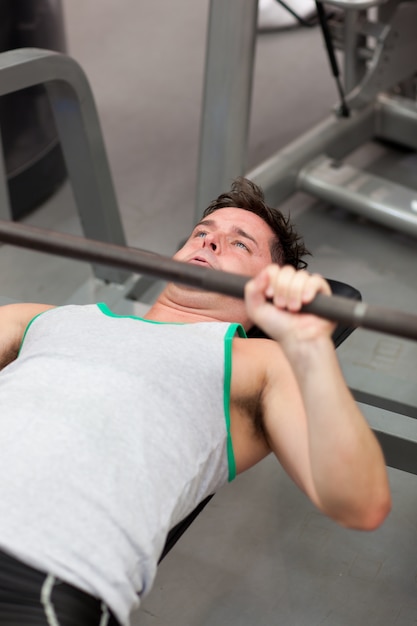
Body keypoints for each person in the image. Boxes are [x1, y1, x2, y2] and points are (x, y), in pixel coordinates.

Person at [0, 177, 390, 626]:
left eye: (239, 244)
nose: (210, 241)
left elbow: (359, 502)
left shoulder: (260, 362)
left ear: (269, 284)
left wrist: (310, 349)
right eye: (202, 233)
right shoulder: (43, 319)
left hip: (40, 573)